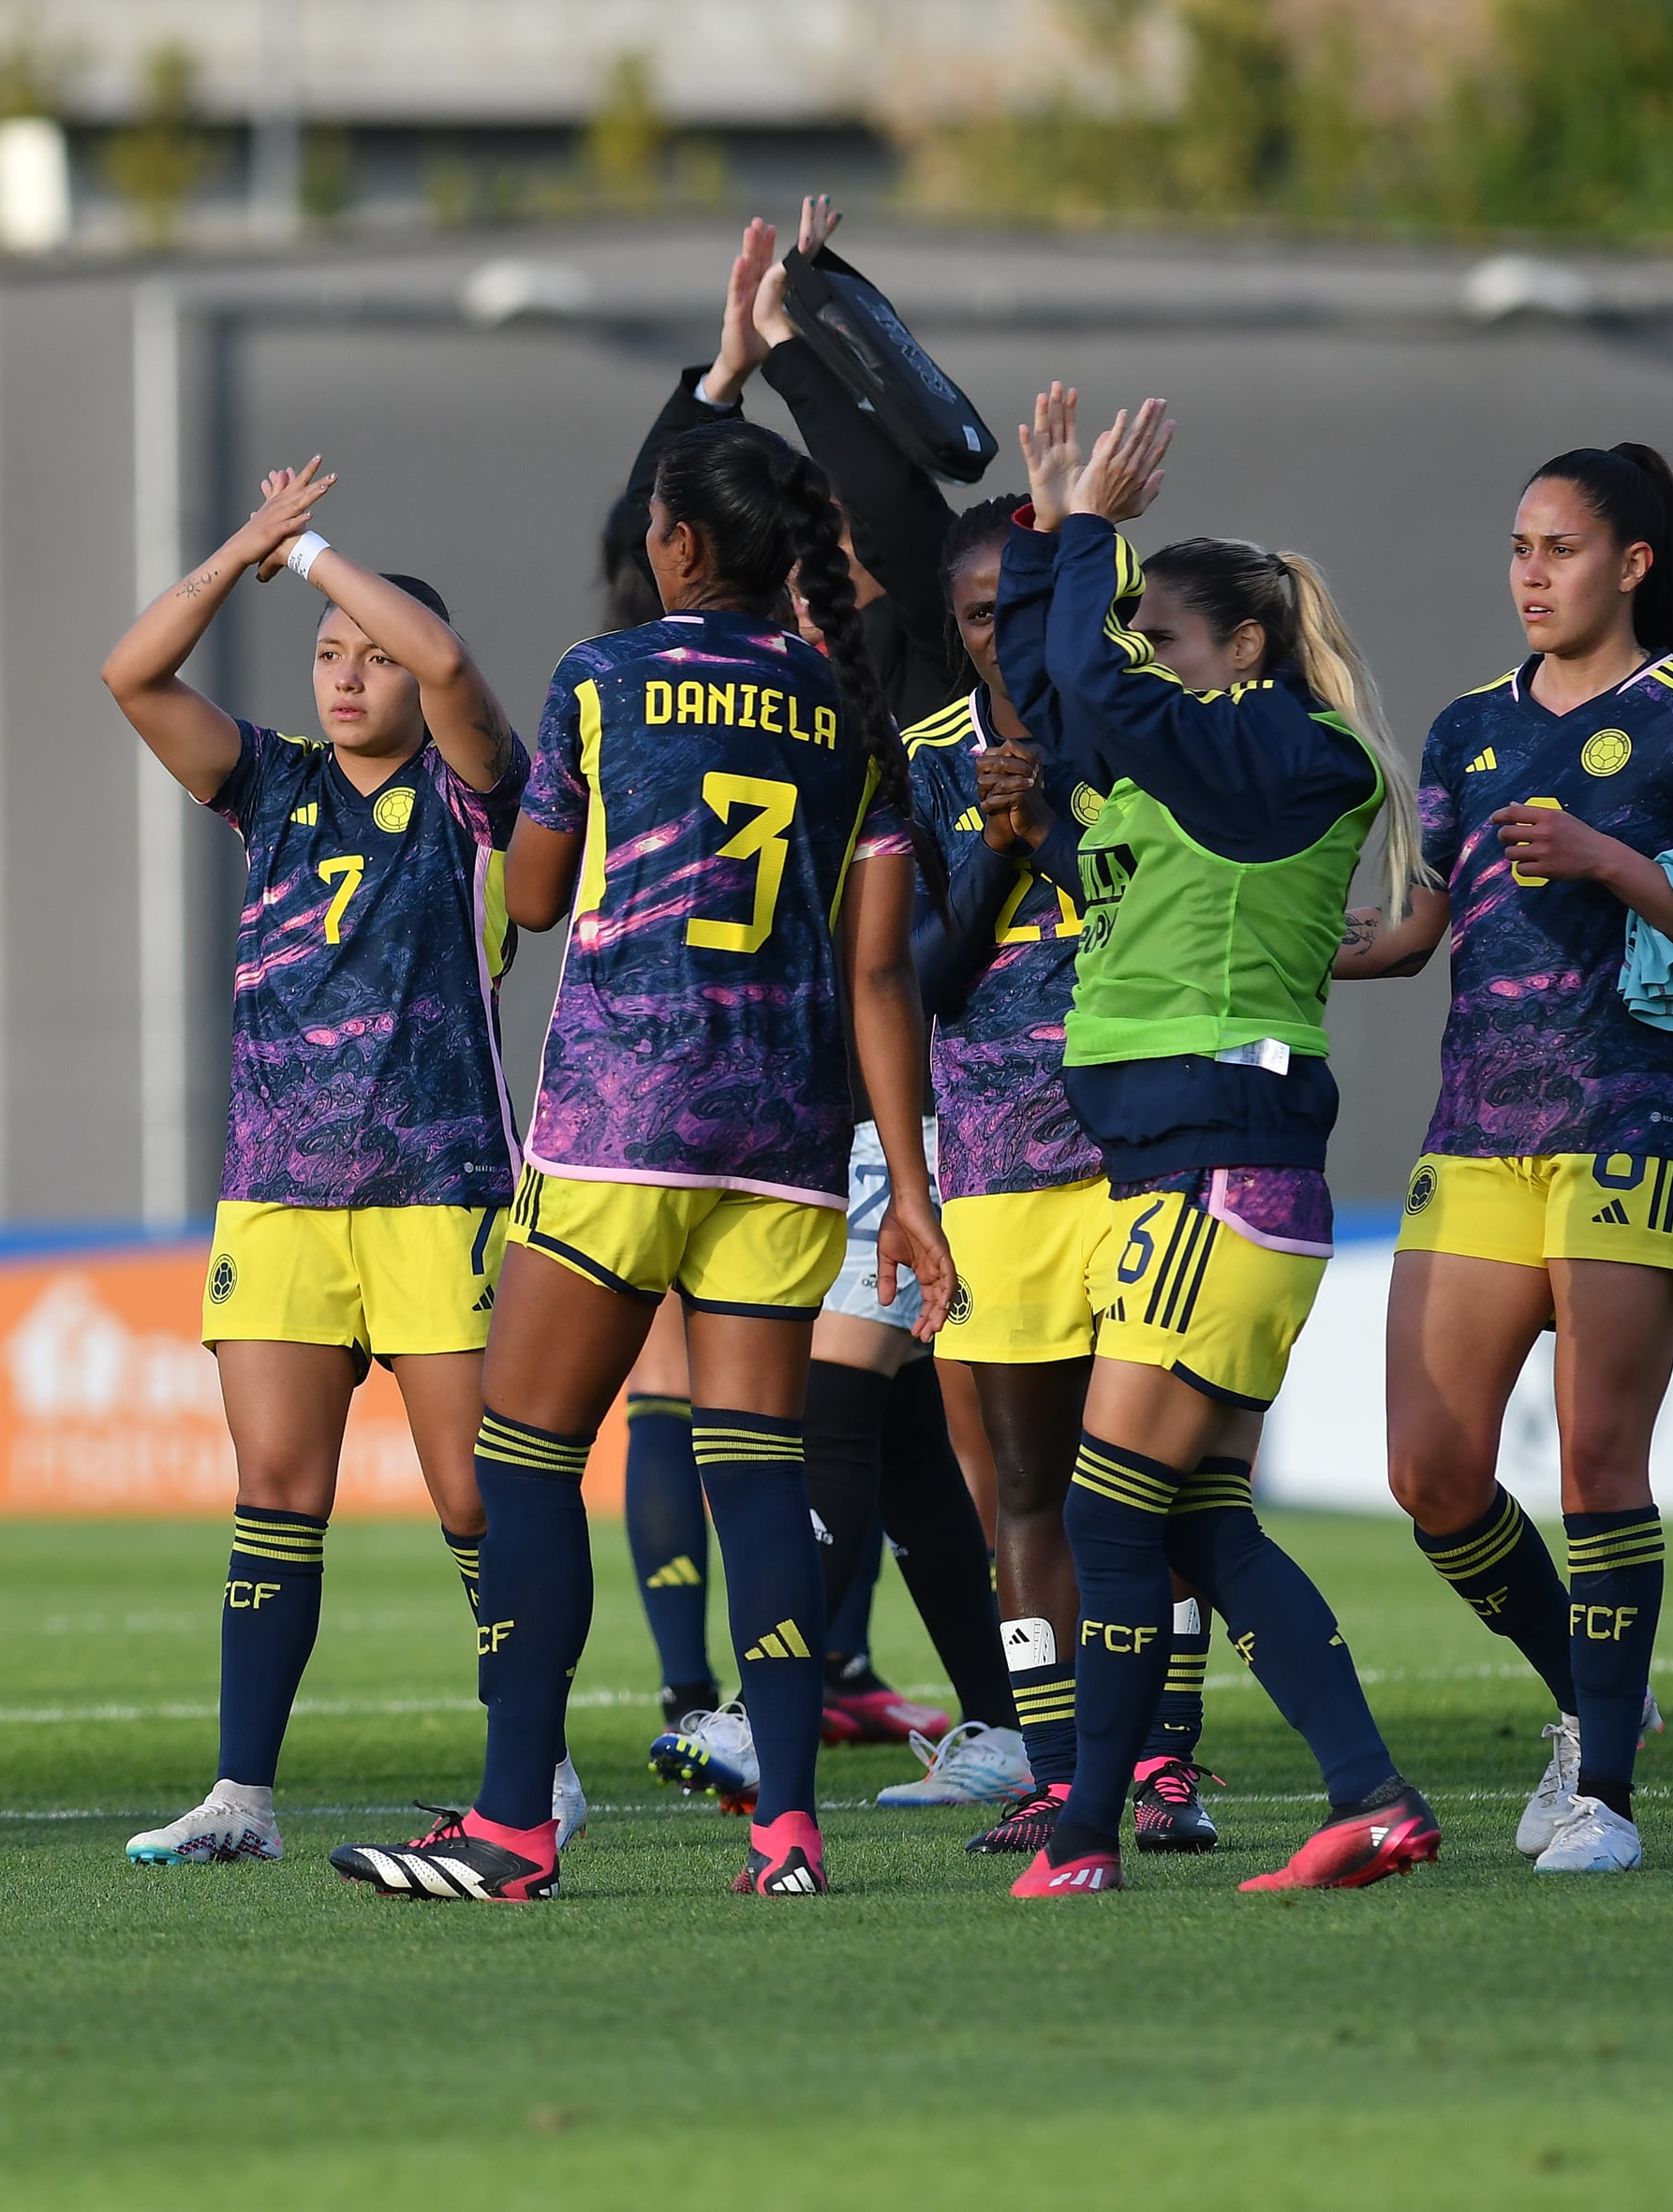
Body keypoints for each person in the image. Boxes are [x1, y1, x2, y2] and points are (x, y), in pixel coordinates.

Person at [331, 418, 952, 1904]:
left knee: (526, 1451)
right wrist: (911, 1198)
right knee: (757, 1471)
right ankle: (787, 1829)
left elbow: (532, 898)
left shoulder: (602, 683)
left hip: (622, 1122)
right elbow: (879, 980)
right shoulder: (845, 708)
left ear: (672, 546)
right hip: (788, 1143)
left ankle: (509, 1826)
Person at [987, 385, 1434, 1895]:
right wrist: (1054, 535)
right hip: (1179, 1175)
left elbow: (1098, 705)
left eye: (1167, 641)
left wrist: (1095, 538)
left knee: (1113, 1514)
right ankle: (1365, 1795)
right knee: (1184, 1523)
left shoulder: (1295, 751)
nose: (1142, 674)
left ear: (1242, 650)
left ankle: (1080, 1837)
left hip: (1216, 1169)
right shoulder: (1193, 768)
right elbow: (1059, 705)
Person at [613, 200, 1015, 1815]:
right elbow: (647, 536)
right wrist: (716, 379)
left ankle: (790, 1697)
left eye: (836, 549)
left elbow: (894, 510)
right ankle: (998, 1717)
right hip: (840, 1097)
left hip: (931, 1095)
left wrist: (792, 346)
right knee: (892, 1426)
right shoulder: (767, 683)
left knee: (846, 1406)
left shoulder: (917, 683)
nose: (829, 561)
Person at [1336, 443, 1673, 1876]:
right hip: (1475, 1135)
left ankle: (1599, 1794)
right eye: (1518, 548)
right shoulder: (1468, 725)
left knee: (1595, 1455)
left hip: (1630, 1120)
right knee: (1430, 1473)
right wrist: (1259, 956)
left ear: (1629, 564)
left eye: (1558, 550)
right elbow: (1413, 932)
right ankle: (1597, 1696)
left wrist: (1609, 860)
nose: (1528, 574)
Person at [97, 456, 547, 1866]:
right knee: (274, 1494)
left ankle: (525, 1771)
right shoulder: (270, 785)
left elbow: (455, 659)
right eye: (326, 656)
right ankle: (241, 1797)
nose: (345, 677)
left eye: (370, 657)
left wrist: (323, 559)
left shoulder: (481, 799)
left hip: (441, 1191)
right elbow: (130, 672)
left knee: (473, 1495)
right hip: (279, 1193)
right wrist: (245, 550)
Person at [886, 497, 1224, 1848]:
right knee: (1018, 1487)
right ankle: (1047, 1767)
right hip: (991, 1161)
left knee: (1165, 1480)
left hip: (1148, 1151)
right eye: (978, 615)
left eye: (1023, 610)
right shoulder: (918, 759)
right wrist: (997, 847)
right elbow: (919, 973)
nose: (999, 637)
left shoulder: (1150, 726)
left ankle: (1162, 1766)